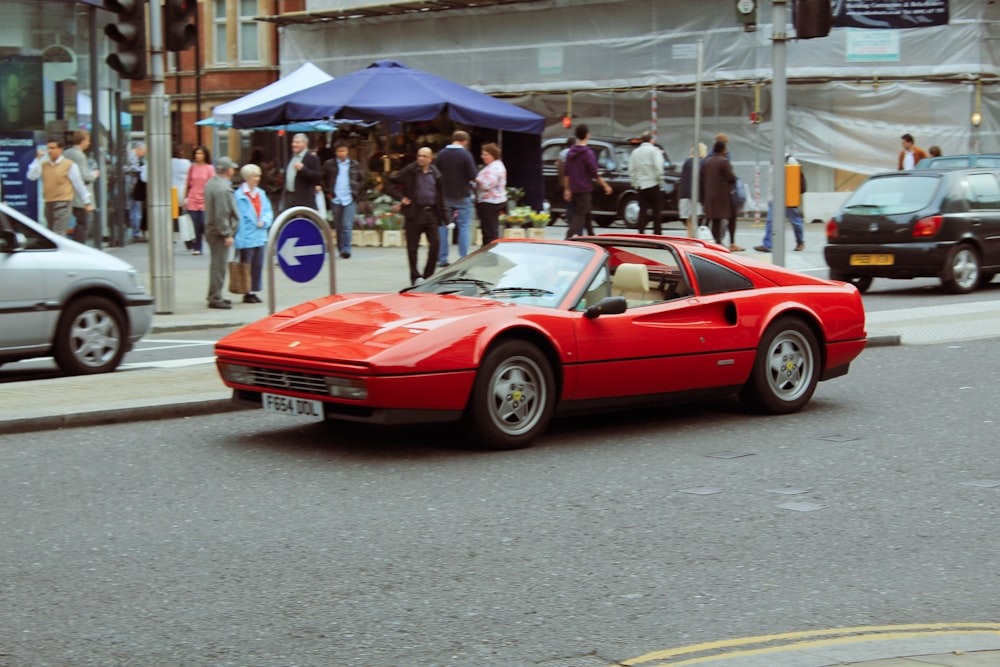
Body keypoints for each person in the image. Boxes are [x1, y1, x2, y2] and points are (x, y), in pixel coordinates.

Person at [386, 146, 447, 285]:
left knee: (436, 243)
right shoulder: (410, 171)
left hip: (431, 212)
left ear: (430, 159)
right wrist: (401, 198)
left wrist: (444, 215)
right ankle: (415, 276)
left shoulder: (436, 174)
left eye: (425, 156)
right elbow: (390, 183)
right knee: (412, 248)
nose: (421, 158)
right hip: (414, 212)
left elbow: (441, 196)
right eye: (419, 155)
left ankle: (428, 275)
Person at [25, 136, 92, 236]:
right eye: (48, 148)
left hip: (63, 203)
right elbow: (31, 176)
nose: (49, 151)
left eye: (52, 148)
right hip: (48, 203)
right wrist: (37, 159)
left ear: (60, 149)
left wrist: (87, 202)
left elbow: (79, 184)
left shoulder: (69, 165)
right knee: (51, 233)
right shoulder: (44, 164)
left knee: (58, 233)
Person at [433, 130, 477, 267]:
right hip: (462, 195)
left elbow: (434, 173)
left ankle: (442, 258)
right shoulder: (466, 155)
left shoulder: (441, 154)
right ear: (465, 141)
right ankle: (463, 257)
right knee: (464, 226)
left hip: (444, 196)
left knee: (443, 227)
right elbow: (472, 175)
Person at [234, 163, 274, 304]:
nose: (257, 179)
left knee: (257, 265)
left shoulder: (261, 194)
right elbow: (237, 218)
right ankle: (247, 291)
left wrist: (264, 220)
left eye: (258, 176)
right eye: (254, 176)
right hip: (246, 236)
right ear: (247, 177)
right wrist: (238, 238)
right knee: (246, 265)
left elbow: (268, 211)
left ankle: (254, 290)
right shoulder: (239, 196)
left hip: (259, 235)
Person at [563, 124, 611, 239]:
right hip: (584, 188)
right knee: (581, 215)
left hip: (574, 188)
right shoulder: (588, 153)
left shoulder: (570, 152)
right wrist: (606, 185)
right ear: (587, 135)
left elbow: (566, 172)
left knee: (587, 212)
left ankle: (591, 236)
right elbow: (594, 172)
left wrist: (567, 189)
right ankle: (568, 237)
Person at [204, 156, 239, 310]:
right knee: (219, 266)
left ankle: (215, 293)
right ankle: (215, 297)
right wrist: (227, 234)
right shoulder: (223, 189)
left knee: (216, 264)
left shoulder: (212, 183)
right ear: (229, 170)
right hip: (218, 233)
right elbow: (221, 214)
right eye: (232, 167)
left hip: (212, 230)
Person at [753, 155, 806, 253]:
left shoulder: (789, 160)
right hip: (775, 197)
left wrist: (793, 195)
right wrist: (769, 198)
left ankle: (800, 242)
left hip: (788, 197)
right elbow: (771, 182)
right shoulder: (773, 161)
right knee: (770, 221)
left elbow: (795, 177)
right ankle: (767, 245)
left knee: (795, 221)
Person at [322, 141, 366, 259]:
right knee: (338, 225)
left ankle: (346, 248)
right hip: (335, 198)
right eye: (339, 151)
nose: (341, 153)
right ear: (335, 152)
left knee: (347, 225)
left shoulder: (354, 164)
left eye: (343, 151)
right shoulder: (329, 164)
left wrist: (356, 190)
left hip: (349, 198)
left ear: (347, 151)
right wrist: (327, 192)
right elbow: (322, 178)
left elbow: (362, 179)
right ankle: (341, 247)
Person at [62, 129, 100, 244]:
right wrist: (94, 174)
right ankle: (79, 246)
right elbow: (84, 176)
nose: (89, 143)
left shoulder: (66, 153)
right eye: (88, 140)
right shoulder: (79, 156)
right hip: (80, 197)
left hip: (68, 193)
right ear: (82, 141)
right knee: (83, 224)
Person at [699, 139, 737, 248]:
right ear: (722, 150)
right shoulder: (723, 161)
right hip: (722, 195)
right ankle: (727, 241)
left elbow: (702, 177)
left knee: (714, 219)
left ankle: (714, 241)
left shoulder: (706, 161)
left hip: (709, 195)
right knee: (729, 217)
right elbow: (731, 177)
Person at [627, 131, 665, 235]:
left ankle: (641, 232)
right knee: (656, 211)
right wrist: (660, 182)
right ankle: (657, 233)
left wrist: (635, 183)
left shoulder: (635, 152)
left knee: (642, 210)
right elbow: (658, 168)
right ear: (651, 140)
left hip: (640, 184)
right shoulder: (655, 151)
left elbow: (632, 170)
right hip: (653, 183)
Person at [183, 145, 214, 255]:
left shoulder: (209, 168)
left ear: (205, 155)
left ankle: (208, 243)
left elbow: (212, 184)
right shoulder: (192, 167)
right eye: (196, 153)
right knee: (195, 224)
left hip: (204, 198)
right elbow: (188, 183)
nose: (198, 156)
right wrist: (185, 198)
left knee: (203, 223)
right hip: (192, 198)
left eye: (200, 153)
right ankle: (197, 247)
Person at [475, 142, 507, 245]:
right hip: (490, 201)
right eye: (482, 154)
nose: (483, 157)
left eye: (485, 154)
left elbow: (488, 184)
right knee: (489, 229)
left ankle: (490, 249)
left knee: (490, 231)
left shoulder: (495, 168)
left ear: (493, 154)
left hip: (490, 202)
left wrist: (476, 179)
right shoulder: (493, 166)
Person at [283, 133, 323, 210]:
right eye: (293, 142)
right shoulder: (292, 156)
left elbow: (318, 177)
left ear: (305, 144)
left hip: (304, 199)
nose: (294, 144)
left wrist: (303, 169)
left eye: (297, 142)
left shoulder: (313, 158)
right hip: (288, 196)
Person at [679, 142, 707, 236]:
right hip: (697, 195)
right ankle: (695, 239)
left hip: (685, 194)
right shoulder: (702, 162)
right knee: (698, 219)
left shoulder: (687, 162)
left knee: (689, 220)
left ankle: (690, 238)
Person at [170, 143, 191, 245]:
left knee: (170, 217)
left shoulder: (165, 163)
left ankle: (170, 236)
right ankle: (187, 237)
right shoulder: (186, 163)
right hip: (182, 192)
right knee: (184, 215)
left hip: (170, 192)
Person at [125, 142, 145, 241]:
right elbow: (134, 170)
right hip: (131, 183)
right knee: (134, 207)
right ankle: (135, 232)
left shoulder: (130, 155)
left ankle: (134, 231)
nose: (144, 154)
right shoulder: (133, 156)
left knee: (133, 207)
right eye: (144, 151)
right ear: (138, 149)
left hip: (129, 183)